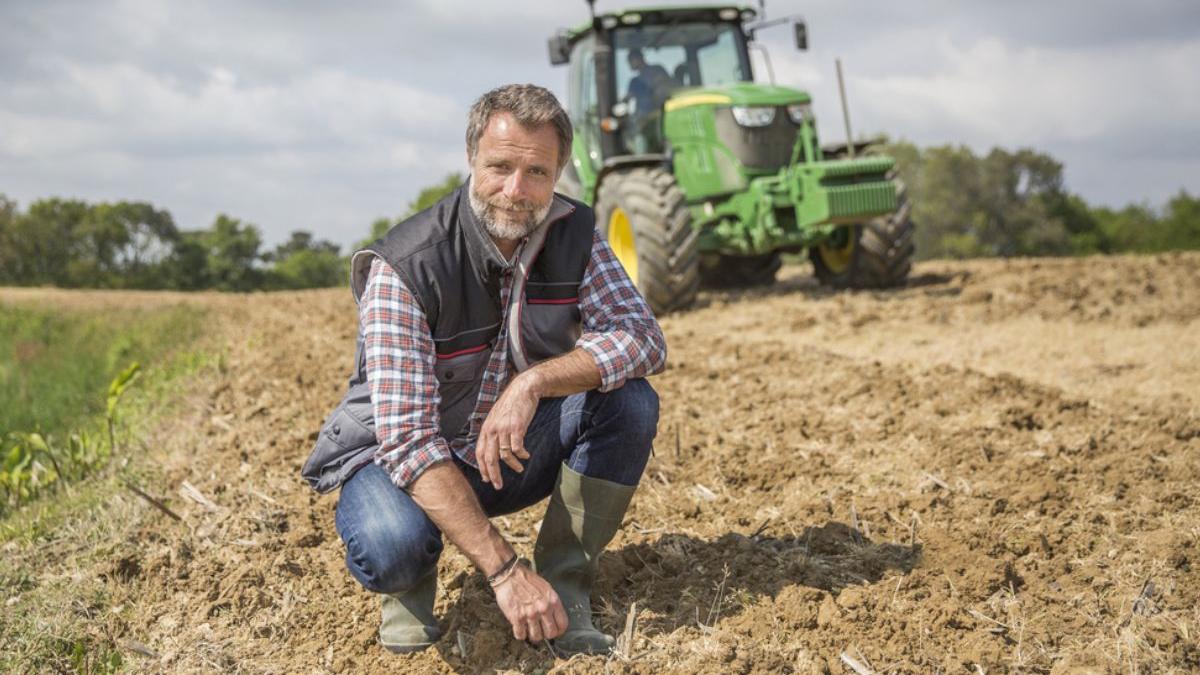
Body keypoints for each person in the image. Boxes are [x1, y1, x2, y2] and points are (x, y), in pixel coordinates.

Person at [328, 83, 666, 656]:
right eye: (500, 167)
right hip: (401, 465)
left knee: (629, 400)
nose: (517, 191)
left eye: (537, 172)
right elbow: (408, 442)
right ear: (470, 160)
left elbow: (642, 339)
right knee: (390, 546)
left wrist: (532, 383)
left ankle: (566, 584)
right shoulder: (406, 266)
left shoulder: (576, 235)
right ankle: (409, 584)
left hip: (506, 452)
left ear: (560, 171)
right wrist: (506, 572)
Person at [623, 49, 674, 152]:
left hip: (653, 118)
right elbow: (627, 99)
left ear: (638, 59)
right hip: (650, 118)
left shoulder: (655, 72)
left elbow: (666, 89)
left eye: (630, 61)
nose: (629, 65)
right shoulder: (635, 81)